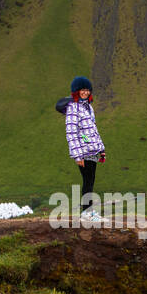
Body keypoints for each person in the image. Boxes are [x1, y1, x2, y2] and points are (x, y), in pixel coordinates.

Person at [64, 75, 106, 223]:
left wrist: (101, 149)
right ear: (76, 91)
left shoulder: (88, 107)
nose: (85, 92)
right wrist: (78, 156)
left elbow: (93, 130)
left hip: (93, 151)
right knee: (88, 181)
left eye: (87, 90)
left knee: (90, 181)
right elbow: (71, 133)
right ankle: (86, 213)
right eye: (82, 90)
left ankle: (88, 211)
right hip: (83, 152)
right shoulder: (73, 108)